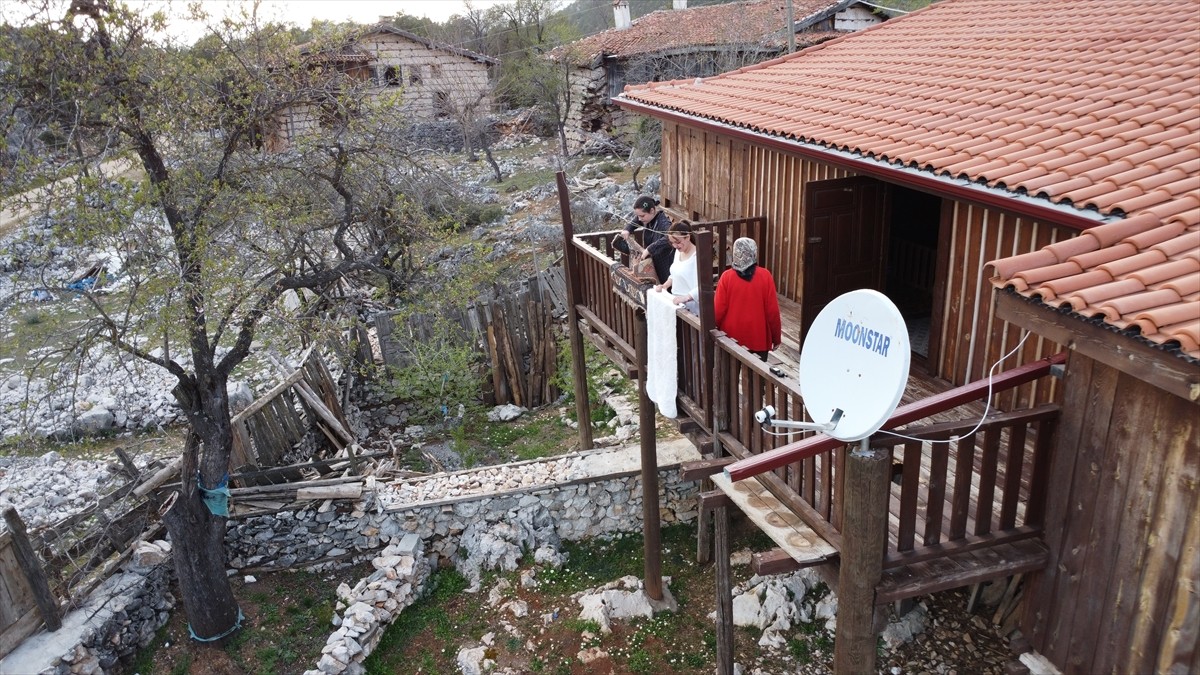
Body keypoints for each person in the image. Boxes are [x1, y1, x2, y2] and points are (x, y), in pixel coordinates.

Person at [714, 237, 781, 361]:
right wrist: (776, 338)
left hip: (731, 338)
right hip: (758, 336)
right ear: (754, 252)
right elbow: (772, 311)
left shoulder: (726, 277)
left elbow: (718, 309)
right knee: (756, 372)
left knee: (730, 372)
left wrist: (714, 329)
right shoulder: (765, 276)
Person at [617, 195, 673, 284]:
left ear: (652, 210)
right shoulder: (648, 218)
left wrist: (650, 249)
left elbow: (670, 237)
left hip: (665, 266)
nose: (640, 219)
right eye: (638, 216)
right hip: (652, 264)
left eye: (642, 216)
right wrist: (627, 229)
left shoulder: (664, 223)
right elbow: (637, 220)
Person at [653, 220, 699, 313]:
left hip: (691, 306)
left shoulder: (698, 256)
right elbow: (674, 274)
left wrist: (686, 297)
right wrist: (665, 286)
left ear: (687, 237)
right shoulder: (678, 252)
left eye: (677, 242)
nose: (675, 246)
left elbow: (703, 285)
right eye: (672, 243)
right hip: (676, 302)